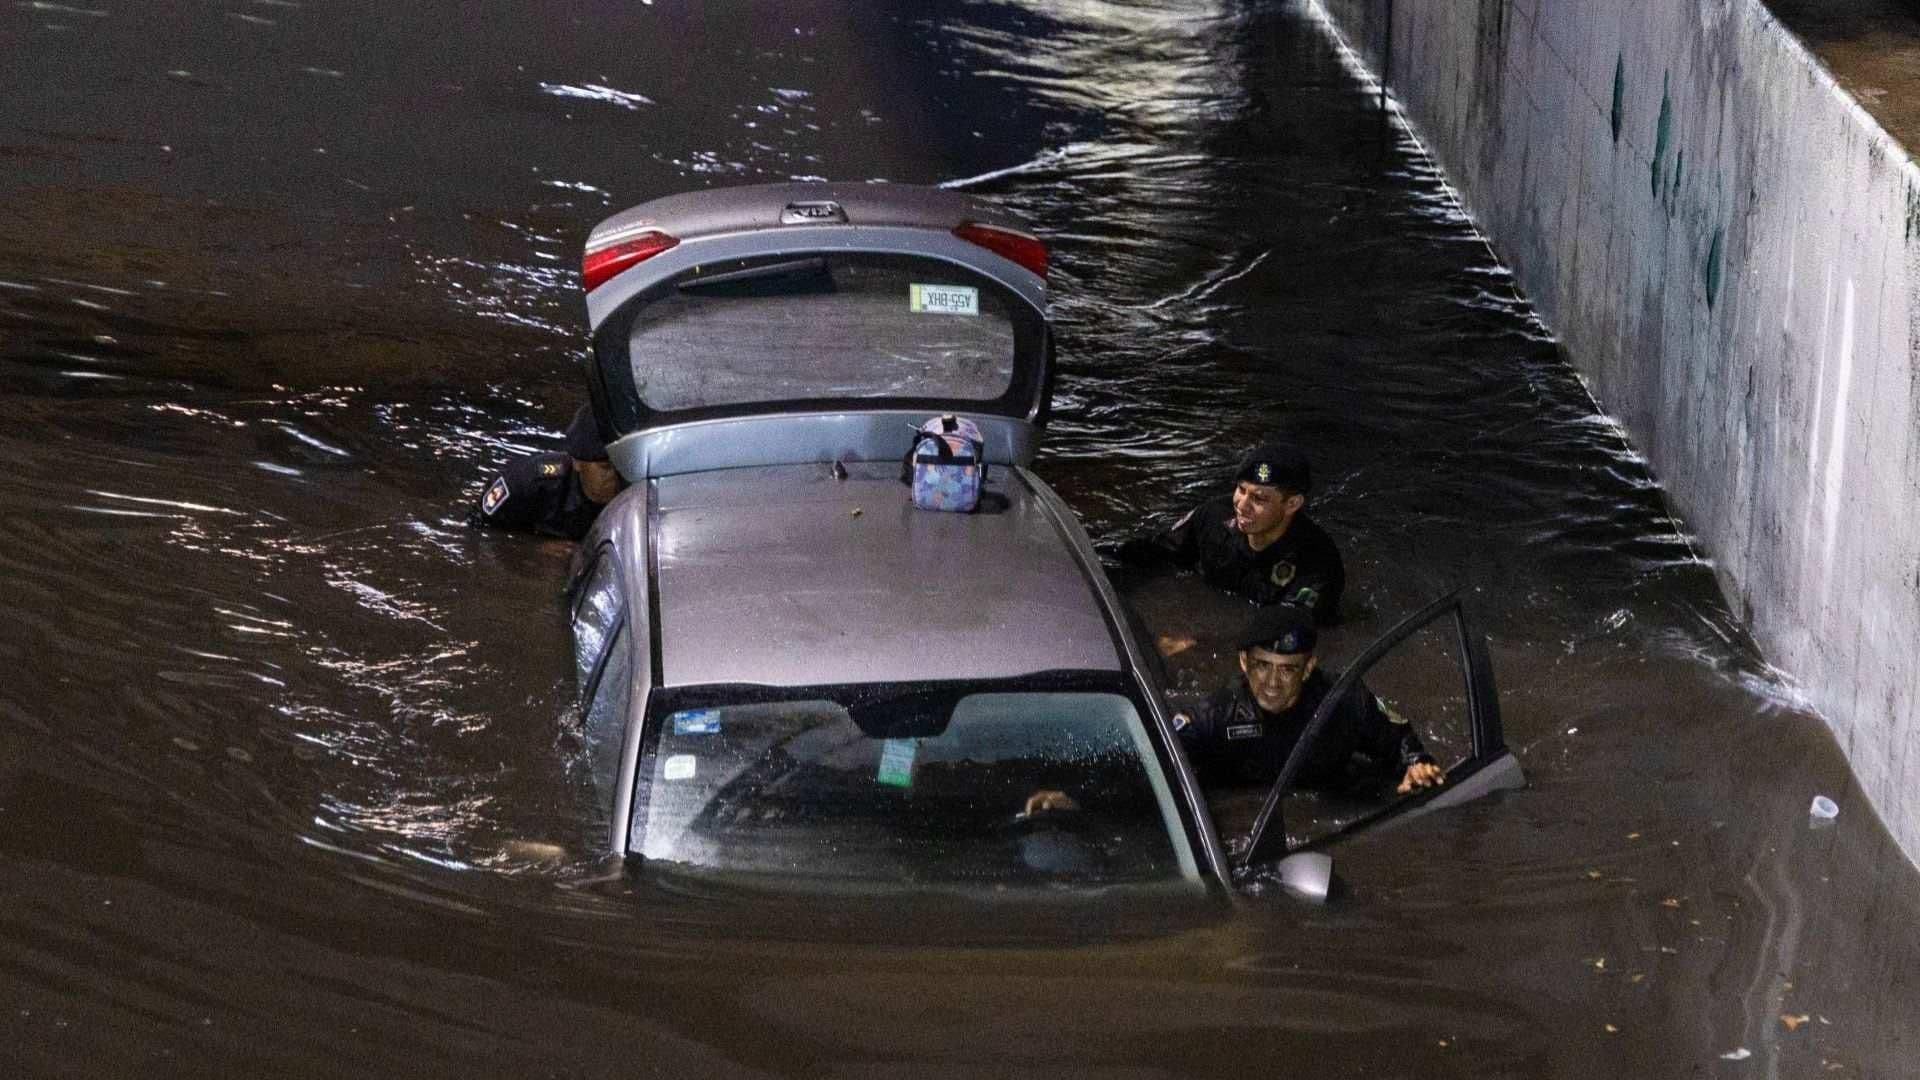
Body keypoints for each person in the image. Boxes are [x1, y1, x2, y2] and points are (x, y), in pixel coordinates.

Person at [1173, 606, 1443, 797]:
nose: (1272, 683)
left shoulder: (1343, 701)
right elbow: (1166, 758)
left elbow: (1398, 738)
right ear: (1244, 662)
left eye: (1287, 669)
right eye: (1262, 666)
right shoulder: (1216, 715)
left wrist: (1416, 764)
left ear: (1308, 668)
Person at [1114, 441, 1345, 625]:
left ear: (1292, 504)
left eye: (1258, 498)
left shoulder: (1318, 564)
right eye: (1241, 490)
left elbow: (1287, 629)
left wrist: (1195, 637)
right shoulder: (1213, 518)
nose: (1242, 505)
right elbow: (1157, 550)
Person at [467, 405, 621, 540]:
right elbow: (479, 525)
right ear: (578, 462)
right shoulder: (528, 483)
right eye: (605, 467)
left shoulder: (631, 484)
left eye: (621, 464)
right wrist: (534, 547)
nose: (616, 475)